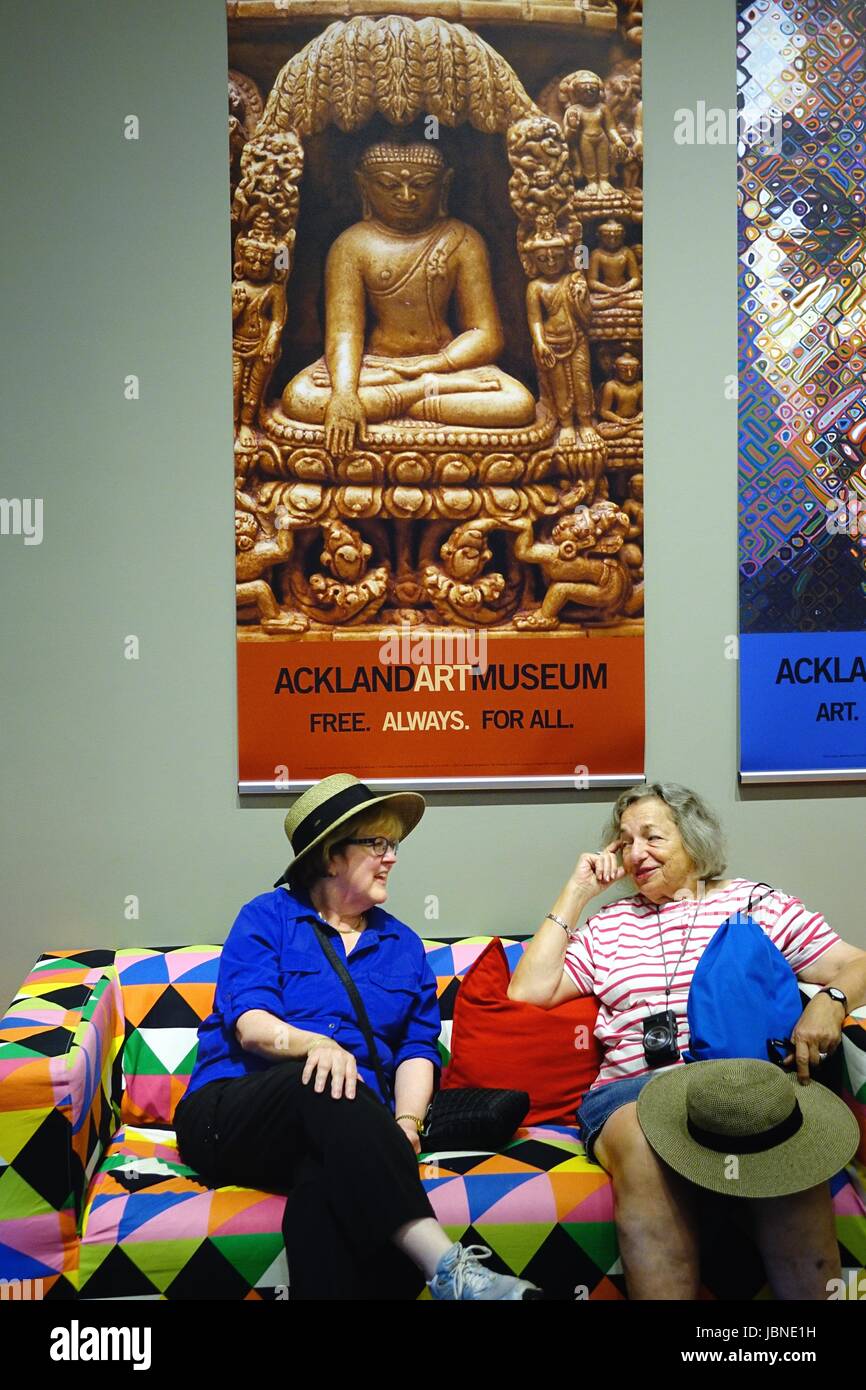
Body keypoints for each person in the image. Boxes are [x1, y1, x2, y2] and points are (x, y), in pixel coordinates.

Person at [174, 773, 541, 1301]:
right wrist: (317, 1045)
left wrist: (407, 1122)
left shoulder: (403, 945)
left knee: (327, 1185)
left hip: (341, 1127)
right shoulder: (267, 918)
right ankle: (446, 1265)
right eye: (377, 844)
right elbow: (252, 1026)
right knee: (319, 1081)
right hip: (232, 1116)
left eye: (392, 845)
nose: (391, 857)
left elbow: (416, 1049)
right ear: (330, 856)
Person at [508, 780, 866, 1300]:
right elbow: (528, 990)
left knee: (789, 1136)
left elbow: (858, 964)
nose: (635, 853)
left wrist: (829, 1001)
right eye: (625, 841)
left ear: (693, 838)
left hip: (744, 1084)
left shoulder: (753, 903)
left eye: (652, 837)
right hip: (634, 1090)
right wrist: (578, 891)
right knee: (642, 1138)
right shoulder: (609, 926)